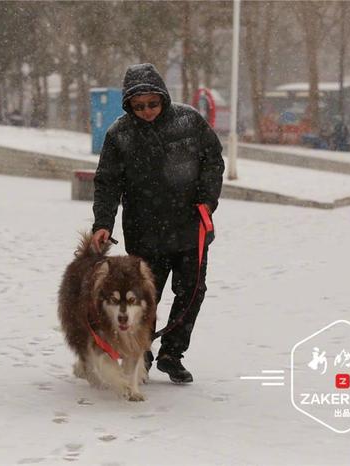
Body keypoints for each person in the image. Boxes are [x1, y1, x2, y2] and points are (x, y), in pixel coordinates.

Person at [91, 63, 224, 384]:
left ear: (163, 98)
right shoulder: (119, 135)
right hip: (144, 230)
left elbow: (213, 162)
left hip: (191, 226)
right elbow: (107, 183)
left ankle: (171, 354)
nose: (147, 112)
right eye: (139, 107)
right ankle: (142, 351)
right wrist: (103, 222)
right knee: (144, 296)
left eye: (152, 104)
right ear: (129, 106)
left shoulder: (189, 121)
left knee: (192, 291)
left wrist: (207, 202)